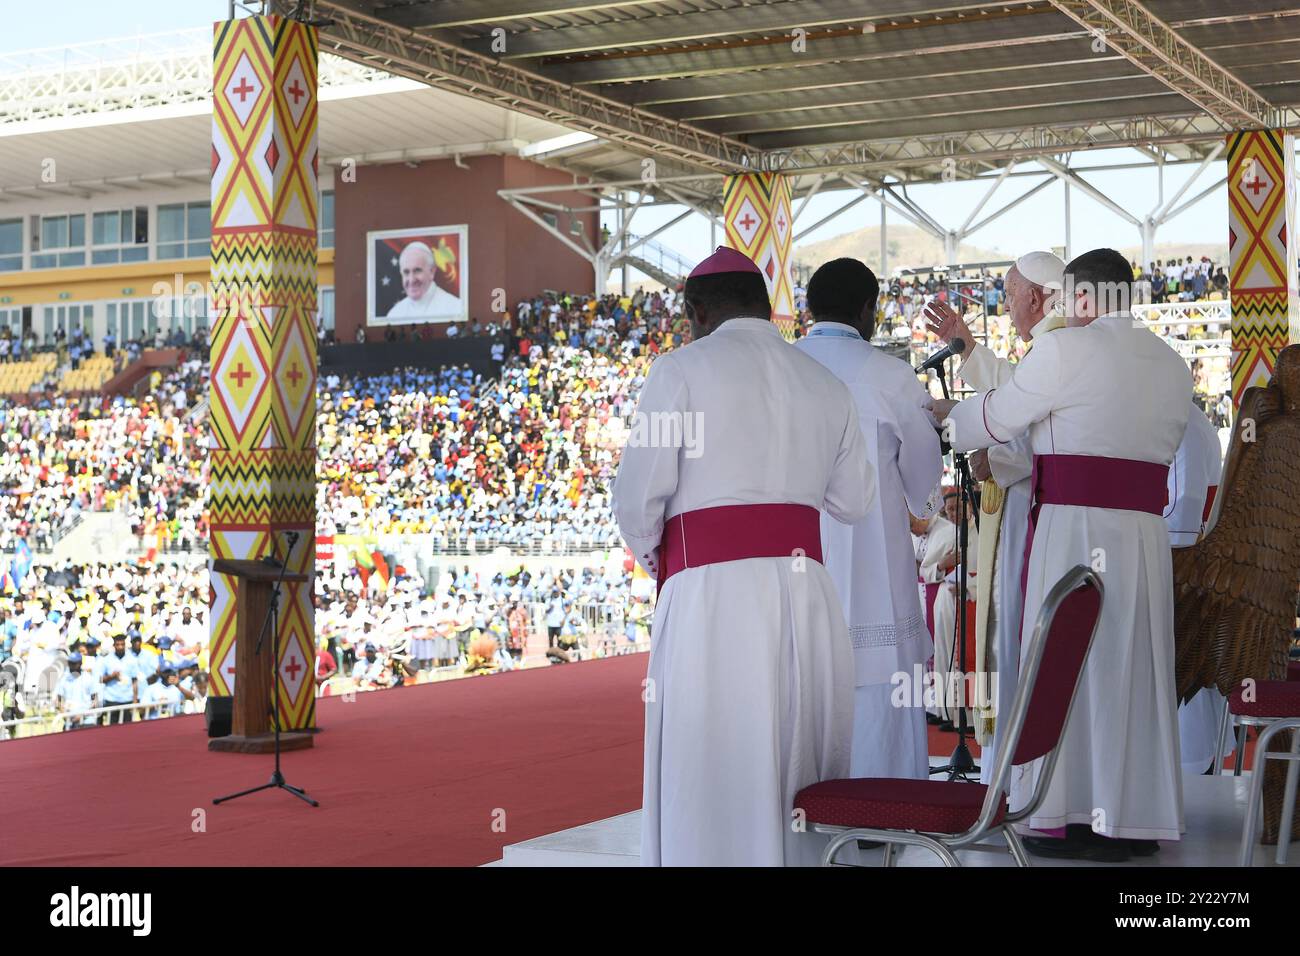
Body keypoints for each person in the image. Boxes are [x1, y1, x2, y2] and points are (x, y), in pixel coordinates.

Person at [612, 245, 875, 867]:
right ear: (765, 305)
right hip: (806, 596)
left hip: (709, 596)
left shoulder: (677, 371)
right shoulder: (824, 380)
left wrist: (672, 569)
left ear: (697, 312)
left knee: (713, 764)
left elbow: (635, 501)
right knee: (795, 756)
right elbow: (856, 501)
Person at [933, 247, 1192, 861]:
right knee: (1129, 666)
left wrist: (949, 418)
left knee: (1070, 664)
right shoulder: (1173, 364)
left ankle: (1066, 813)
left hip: (1074, 532)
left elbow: (993, 422)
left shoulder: (1065, 350)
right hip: (1143, 539)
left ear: (1079, 298)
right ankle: (1128, 818)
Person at [795, 257, 942, 779]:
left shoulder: (783, 369)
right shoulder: (892, 376)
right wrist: (924, 504)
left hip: (797, 564)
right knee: (882, 696)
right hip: (876, 562)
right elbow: (924, 479)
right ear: (866, 311)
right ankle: (884, 815)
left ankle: (808, 815)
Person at [923, 250, 1066, 780]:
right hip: (1030, 510)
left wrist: (991, 455)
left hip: (1037, 513)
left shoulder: (1054, 346)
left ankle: (1018, 769)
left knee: (1019, 634)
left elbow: (1042, 443)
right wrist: (964, 346)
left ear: (1034, 296)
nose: (1004, 304)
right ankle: (1013, 762)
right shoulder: (1047, 345)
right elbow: (1012, 393)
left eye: (1008, 293)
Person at [386, 242, 461, 321]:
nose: (411, 280)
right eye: (406, 272)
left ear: (432, 271)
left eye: (417, 271)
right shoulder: (394, 314)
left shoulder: (456, 308)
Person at [100, 633, 140, 724]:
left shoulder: (132, 659)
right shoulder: (107, 659)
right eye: (117, 645)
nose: (120, 647)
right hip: (111, 700)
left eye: (122, 644)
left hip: (127, 700)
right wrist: (111, 676)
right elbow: (100, 679)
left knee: (127, 730)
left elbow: (134, 680)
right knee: (112, 731)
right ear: (114, 645)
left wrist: (135, 699)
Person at [55, 652, 100, 729]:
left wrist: (82, 716)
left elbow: (95, 701)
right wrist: (64, 714)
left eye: (74, 663)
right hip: (69, 722)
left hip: (87, 722)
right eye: (70, 663)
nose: (71, 666)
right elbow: (58, 699)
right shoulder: (64, 679)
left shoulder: (89, 678)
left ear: (80, 663)